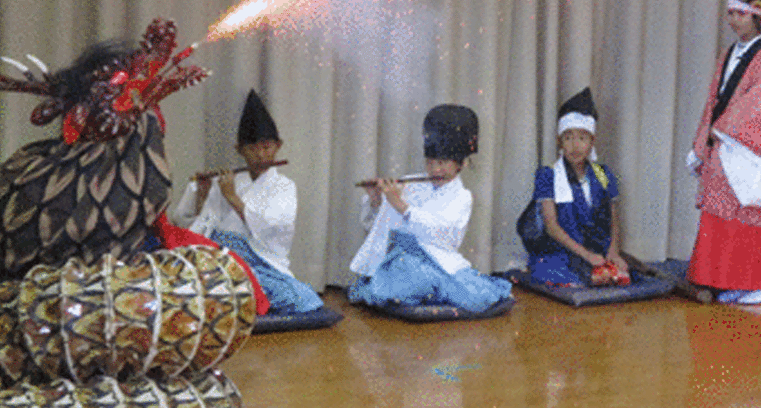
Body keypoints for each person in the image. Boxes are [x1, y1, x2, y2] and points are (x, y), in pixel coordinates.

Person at [686, 0, 761, 304]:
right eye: (730, 13)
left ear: (757, 14)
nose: (733, 20)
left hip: (745, 149)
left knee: (743, 210)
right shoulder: (729, 53)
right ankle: (718, 279)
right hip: (724, 143)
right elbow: (714, 98)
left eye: (740, 13)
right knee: (718, 205)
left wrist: (725, 130)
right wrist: (704, 138)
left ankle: (754, 282)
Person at [348, 105, 512, 314]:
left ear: (459, 164)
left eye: (442, 163)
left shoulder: (463, 197)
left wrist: (401, 206)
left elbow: (446, 237)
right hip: (401, 261)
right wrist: (376, 201)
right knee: (398, 275)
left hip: (437, 262)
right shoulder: (408, 183)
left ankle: (429, 290)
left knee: (473, 295)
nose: (435, 170)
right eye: (430, 162)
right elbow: (378, 227)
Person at [174, 89, 323, 314]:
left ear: (278, 146)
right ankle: (225, 296)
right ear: (239, 151)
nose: (261, 155)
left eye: (266, 147)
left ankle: (224, 298)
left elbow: (275, 227)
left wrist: (232, 198)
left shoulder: (284, 186)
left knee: (301, 298)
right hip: (219, 257)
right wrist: (203, 193)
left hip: (261, 264)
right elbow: (199, 224)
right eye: (252, 148)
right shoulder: (227, 181)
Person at [523, 87, 630, 287]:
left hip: (596, 248)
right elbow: (551, 227)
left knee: (619, 274)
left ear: (592, 141)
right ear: (560, 142)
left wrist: (613, 252)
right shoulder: (548, 175)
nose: (575, 145)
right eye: (568, 137)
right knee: (581, 276)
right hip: (562, 250)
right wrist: (587, 256)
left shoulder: (602, 173)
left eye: (582, 138)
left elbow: (614, 219)